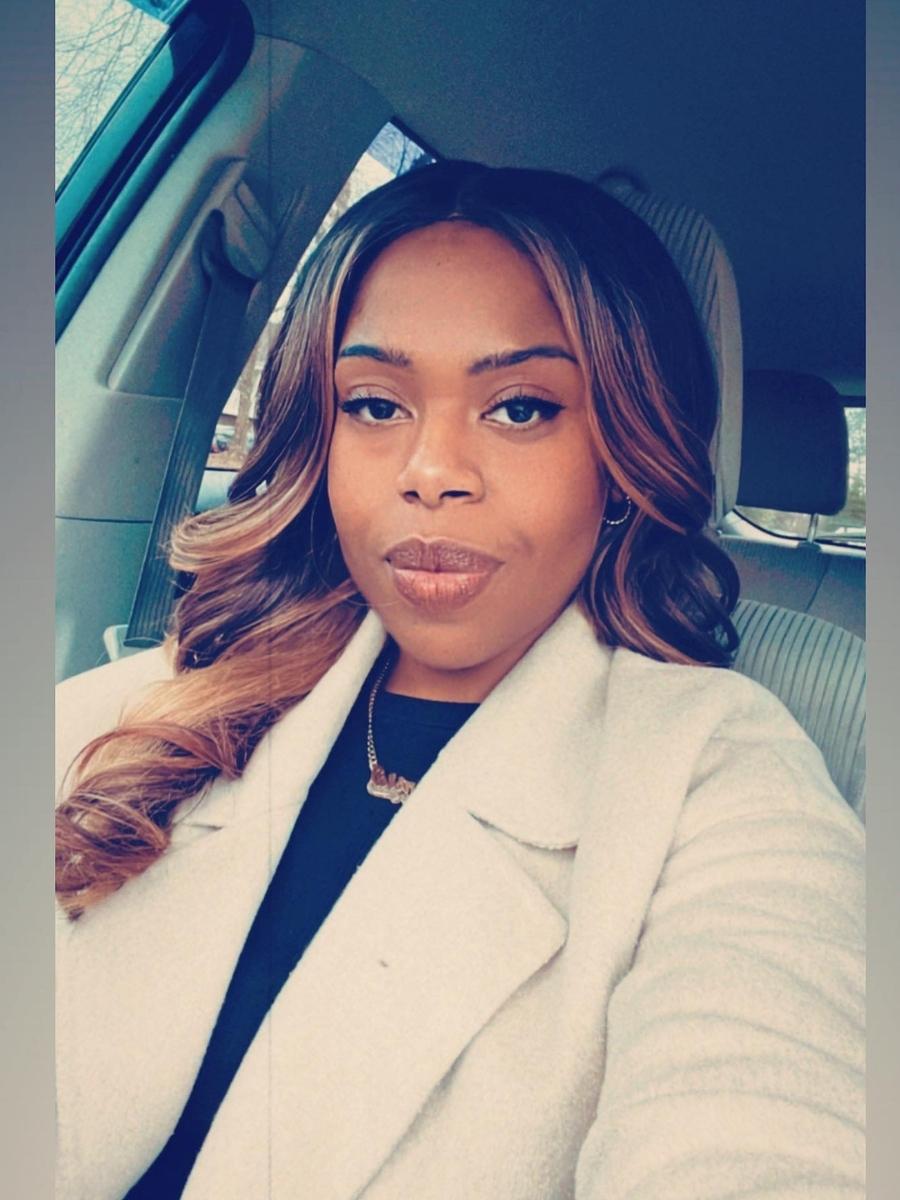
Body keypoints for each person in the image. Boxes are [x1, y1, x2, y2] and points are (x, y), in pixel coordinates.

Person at [55, 160, 865, 1200]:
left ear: (623, 451)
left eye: (521, 407)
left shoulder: (720, 774)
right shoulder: (165, 696)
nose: (430, 471)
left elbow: (764, 1111)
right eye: (374, 404)